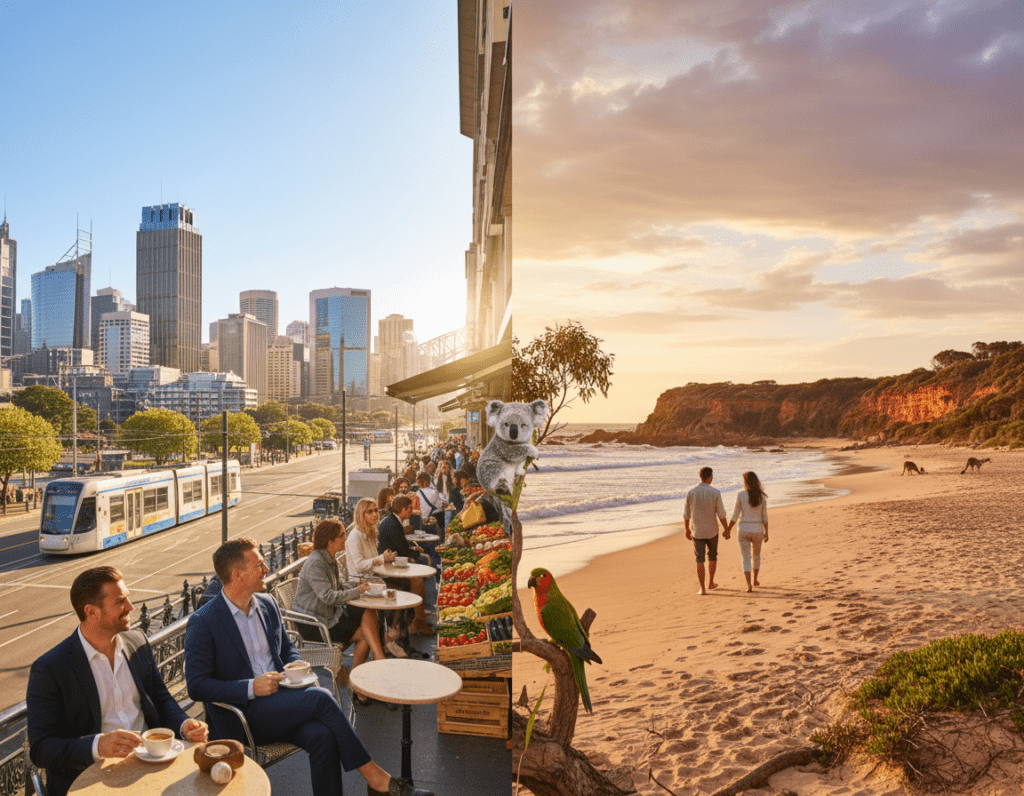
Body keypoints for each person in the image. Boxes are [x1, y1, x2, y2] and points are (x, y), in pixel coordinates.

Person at [184, 537, 431, 796]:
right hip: (243, 716)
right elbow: (197, 686)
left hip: (282, 701)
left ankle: (375, 784)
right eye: (259, 564)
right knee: (322, 699)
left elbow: (285, 649)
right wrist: (250, 687)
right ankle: (377, 780)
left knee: (322, 736)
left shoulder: (267, 605)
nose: (267, 569)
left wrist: (295, 664)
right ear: (238, 575)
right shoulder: (204, 621)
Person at [27, 566, 209, 796]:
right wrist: (97, 745)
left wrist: (185, 725)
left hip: (151, 764)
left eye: (128, 599)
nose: (130, 607)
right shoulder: (50, 668)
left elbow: (161, 699)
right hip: (91, 780)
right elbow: (41, 749)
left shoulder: (137, 641)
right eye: (120, 601)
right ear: (92, 612)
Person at [293, 517, 387, 685]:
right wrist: (357, 591)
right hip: (315, 625)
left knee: (367, 622)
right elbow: (328, 596)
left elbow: (338, 587)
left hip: (327, 615)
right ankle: (373, 665)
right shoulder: (317, 563)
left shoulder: (329, 558)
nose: (345, 538)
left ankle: (358, 680)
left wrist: (358, 584)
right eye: (342, 535)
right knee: (367, 627)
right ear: (330, 541)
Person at [378, 495, 433, 635]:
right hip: (388, 570)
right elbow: (402, 550)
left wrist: (414, 552)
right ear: (402, 510)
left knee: (422, 566)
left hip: (393, 564)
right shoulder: (393, 524)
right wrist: (415, 555)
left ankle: (417, 615)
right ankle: (418, 618)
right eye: (409, 508)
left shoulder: (392, 521)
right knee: (420, 576)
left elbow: (400, 547)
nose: (411, 511)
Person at [683, 466, 730, 596]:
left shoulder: (691, 493)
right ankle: (711, 582)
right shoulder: (715, 492)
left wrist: (687, 529)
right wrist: (726, 529)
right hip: (712, 531)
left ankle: (702, 588)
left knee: (699, 559)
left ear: (701, 477)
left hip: (697, 531)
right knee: (712, 556)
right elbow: (721, 514)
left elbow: (686, 514)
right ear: (711, 478)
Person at [728, 471, 769, 592]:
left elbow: (735, 515)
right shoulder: (762, 497)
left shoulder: (741, 495)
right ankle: (755, 580)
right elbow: (764, 517)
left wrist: (728, 529)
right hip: (757, 529)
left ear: (746, 482)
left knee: (745, 557)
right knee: (756, 555)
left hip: (744, 529)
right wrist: (767, 532)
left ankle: (748, 585)